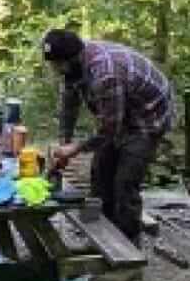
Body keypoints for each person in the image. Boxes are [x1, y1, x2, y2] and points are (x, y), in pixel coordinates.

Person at [41, 28, 173, 242]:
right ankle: (98, 235)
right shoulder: (72, 69)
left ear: (73, 58)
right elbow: (69, 107)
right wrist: (64, 144)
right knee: (100, 173)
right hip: (119, 111)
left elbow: (111, 128)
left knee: (124, 184)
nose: (55, 69)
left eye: (57, 64)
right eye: (53, 64)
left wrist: (76, 148)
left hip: (148, 117)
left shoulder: (106, 73)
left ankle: (128, 256)